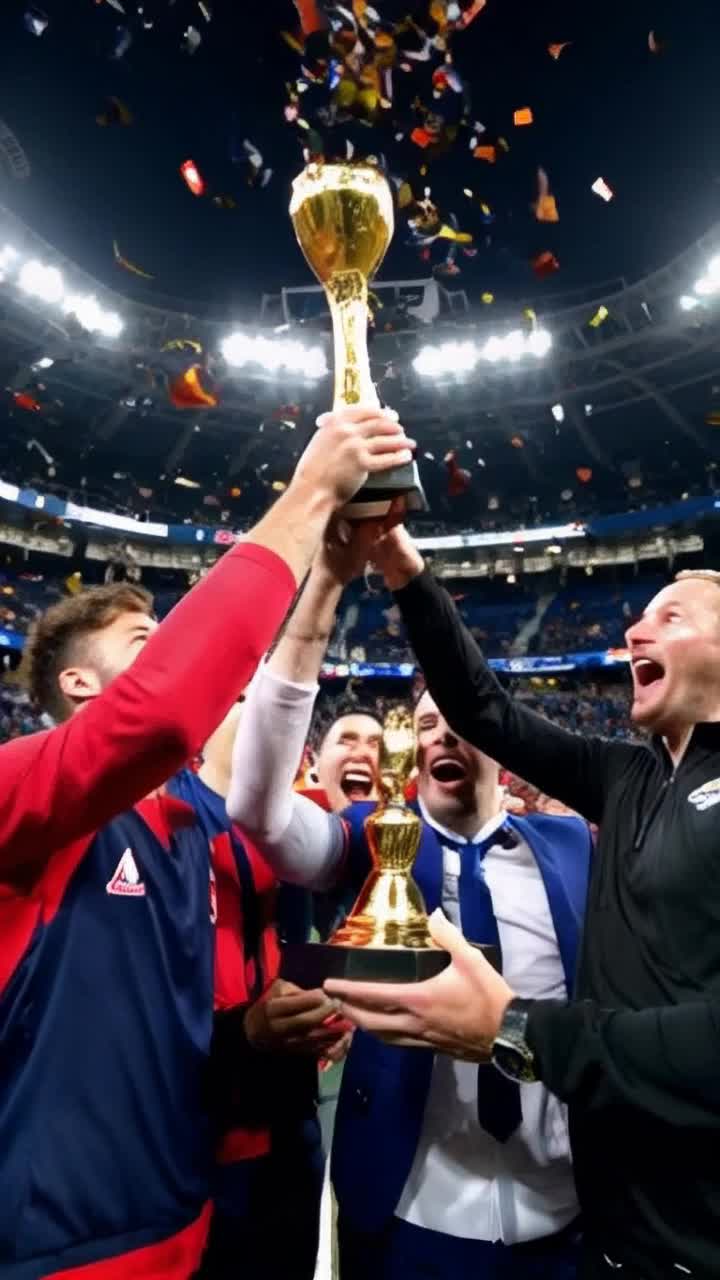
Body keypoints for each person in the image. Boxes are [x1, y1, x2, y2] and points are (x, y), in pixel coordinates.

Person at [0, 405, 413, 1279]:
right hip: (62, 1242)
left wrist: (332, 574)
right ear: (79, 682)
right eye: (146, 644)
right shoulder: (15, 787)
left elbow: (169, 1020)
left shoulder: (193, 811)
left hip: (192, 1208)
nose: (175, 663)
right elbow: (158, 713)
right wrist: (306, 495)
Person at [327, 528, 720, 1280]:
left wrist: (520, 1029)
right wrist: (407, 572)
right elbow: (487, 711)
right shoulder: (625, 778)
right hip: (610, 1221)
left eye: (672, 617)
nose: (636, 629)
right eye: (639, 617)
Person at [228, 520, 593, 1280]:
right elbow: (259, 809)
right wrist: (323, 589)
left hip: (568, 1204)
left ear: (504, 739)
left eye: (462, 721)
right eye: (426, 724)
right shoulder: (369, 837)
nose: (443, 737)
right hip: (409, 1206)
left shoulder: (571, 846)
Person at [170, 706, 347, 1280]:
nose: (266, 705)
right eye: (246, 692)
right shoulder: (166, 814)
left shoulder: (302, 830)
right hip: (194, 1135)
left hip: (289, 1130)